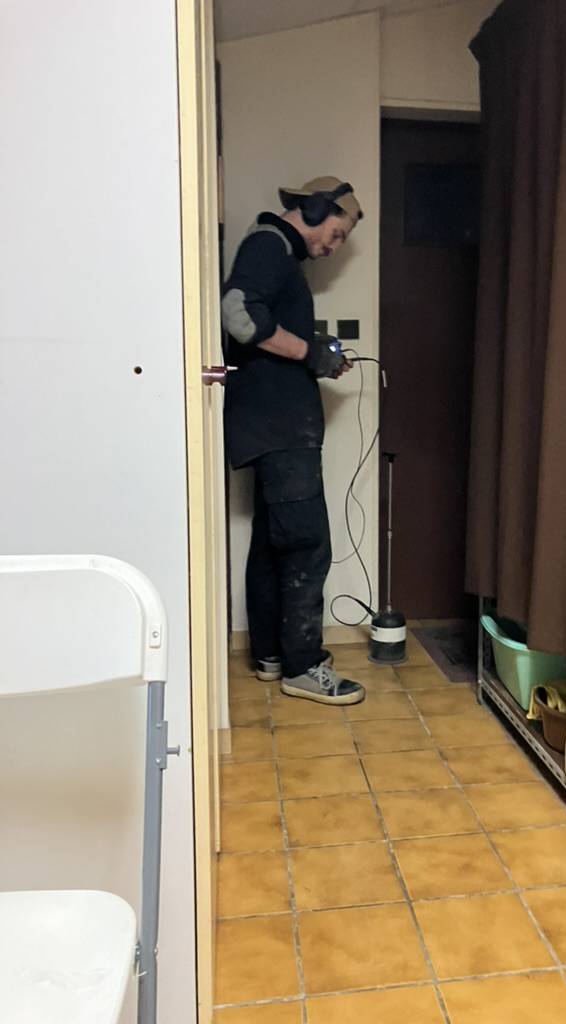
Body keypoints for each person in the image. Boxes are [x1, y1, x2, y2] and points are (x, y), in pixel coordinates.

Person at [221, 176, 366, 706]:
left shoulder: (275, 251)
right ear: (316, 208)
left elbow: (264, 323)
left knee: (273, 541)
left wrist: (314, 350)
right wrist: (309, 354)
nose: (334, 246)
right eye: (336, 233)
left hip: (268, 426)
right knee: (307, 544)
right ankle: (304, 666)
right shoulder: (270, 246)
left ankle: (270, 655)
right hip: (280, 428)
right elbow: (238, 313)